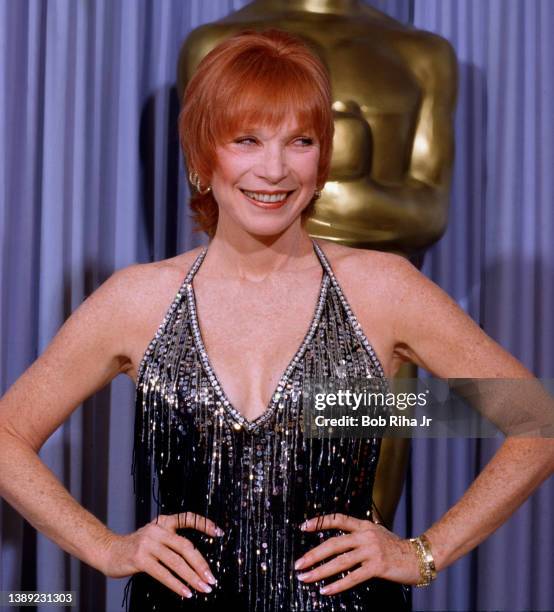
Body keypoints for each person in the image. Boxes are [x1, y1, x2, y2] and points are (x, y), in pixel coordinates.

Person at [0, 29, 552, 612]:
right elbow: (8, 437)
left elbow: (534, 422)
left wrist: (424, 554)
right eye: (247, 139)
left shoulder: (382, 288)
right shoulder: (137, 300)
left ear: (323, 158)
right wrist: (108, 549)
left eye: (300, 141)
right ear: (202, 155)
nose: (275, 169)